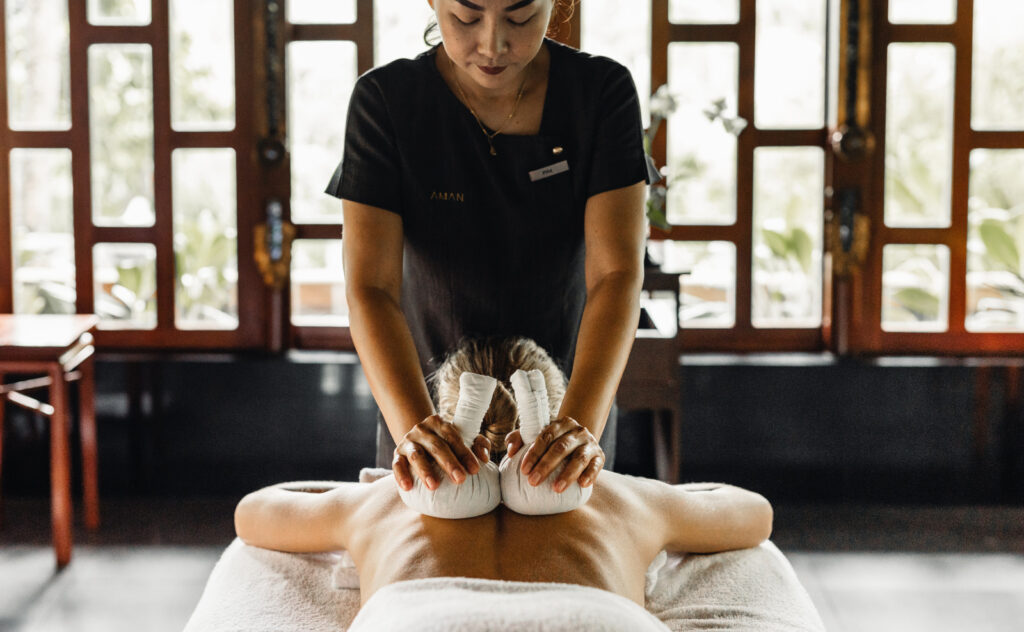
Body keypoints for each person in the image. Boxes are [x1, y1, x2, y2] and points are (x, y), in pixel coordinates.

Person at [326, 0, 656, 497]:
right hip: (424, 404)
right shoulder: (387, 101)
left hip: (567, 402)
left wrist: (577, 428)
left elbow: (617, 275)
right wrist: (417, 430)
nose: (492, 45)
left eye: (520, 18)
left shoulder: (600, 94)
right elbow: (370, 287)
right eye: (467, 17)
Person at [234, 337, 773, 614]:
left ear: (440, 424)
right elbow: (755, 515)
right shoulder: (620, 497)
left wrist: (369, 484)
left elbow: (252, 514)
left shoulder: (385, 500)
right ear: (563, 424)